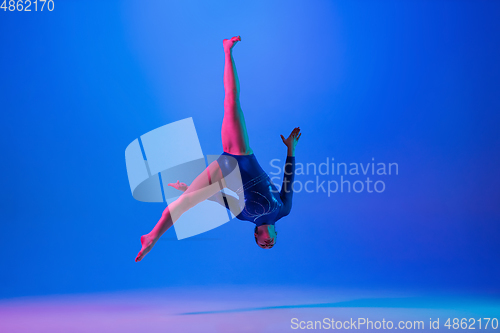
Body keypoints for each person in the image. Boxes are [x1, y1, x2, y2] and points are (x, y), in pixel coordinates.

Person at [135, 36, 301, 262]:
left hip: (226, 166)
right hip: (242, 155)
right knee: (231, 102)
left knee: (186, 202)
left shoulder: (244, 216)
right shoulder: (282, 210)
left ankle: (152, 237)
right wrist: (291, 150)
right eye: (271, 244)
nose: (268, 244)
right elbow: (288, 182)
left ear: (256, 236)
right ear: (275, 234)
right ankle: (227, 50)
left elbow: (218, 198)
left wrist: (189, 189)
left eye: (262, 245)